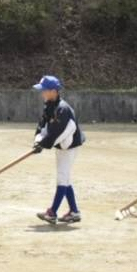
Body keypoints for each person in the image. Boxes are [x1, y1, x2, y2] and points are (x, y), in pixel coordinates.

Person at [30, 75, 85, 225]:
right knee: (65, 178)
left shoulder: (63, 109)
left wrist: (43, 144)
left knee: (62, 178)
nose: (42, 93)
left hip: (69, 147)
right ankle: (74, 212)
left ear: (53, 91)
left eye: (44, 90)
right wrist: (37, 141)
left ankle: (52, 212)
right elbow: (42, 126)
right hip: (61, 146)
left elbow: (57, 133)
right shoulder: (49, 105)